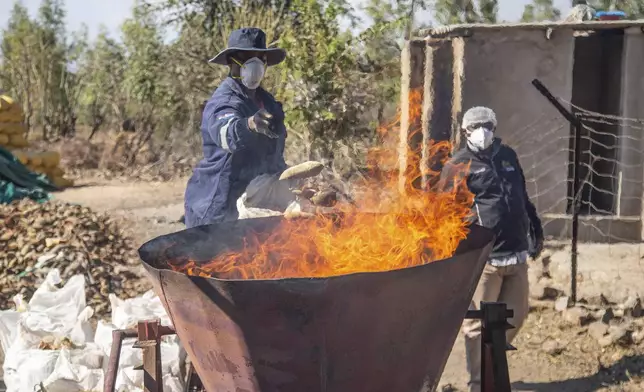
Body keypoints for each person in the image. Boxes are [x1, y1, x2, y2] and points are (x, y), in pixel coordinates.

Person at [440, 106, 544, 392]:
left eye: (487, 124)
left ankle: (493, 364)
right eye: (475, 126)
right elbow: (444, 213)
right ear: (465, 132)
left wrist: (534, 224)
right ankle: (479, 384)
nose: (482, 129)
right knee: (477, 327)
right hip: (485, 260)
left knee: (517, 314)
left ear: (495, 127)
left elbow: (521, 194)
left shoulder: (508, 156)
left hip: (516, 253)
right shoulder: (458, 165)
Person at [184, 27, 289, 228]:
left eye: (260, 58)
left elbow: (272, 156)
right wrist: (249, 124)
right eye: (247, 58)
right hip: (218, 208)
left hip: (253, 206)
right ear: (232, 61)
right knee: (218, 259)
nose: (255, 65)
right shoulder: (224, 101)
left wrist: (292, 185)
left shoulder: (267, 103)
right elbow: (226, 133)